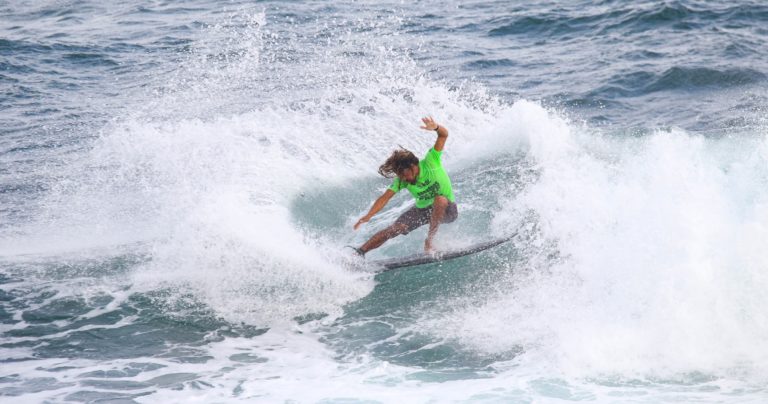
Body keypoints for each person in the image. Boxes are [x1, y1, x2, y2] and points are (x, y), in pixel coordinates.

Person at [353, 116, 458, 255]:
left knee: (440, 199)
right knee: (396, 228)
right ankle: (359, 253)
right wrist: (369, 215)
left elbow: (444, 135)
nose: (404, 179)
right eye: (400, 175)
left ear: (414, 166)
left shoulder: (431, 162)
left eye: (405, 174)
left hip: (447, 210)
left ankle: (429, 241)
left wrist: (436, 127)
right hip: (423, 210)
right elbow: (384, 198)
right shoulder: (401, 180)